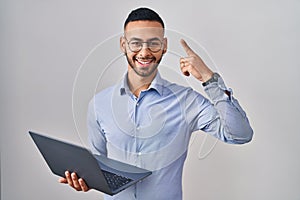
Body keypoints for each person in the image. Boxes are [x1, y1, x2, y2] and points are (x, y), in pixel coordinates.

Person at [59, 7, 253, 200]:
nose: (145, 52)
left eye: (153, 43)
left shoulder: (186, 100)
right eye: (136, 43)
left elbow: (240, 134)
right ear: (123, 45)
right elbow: (98, 164)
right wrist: (86, 180)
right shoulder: (99, 104)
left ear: (164, 46)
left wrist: (209, 79)